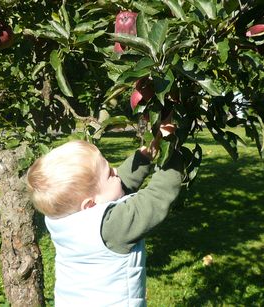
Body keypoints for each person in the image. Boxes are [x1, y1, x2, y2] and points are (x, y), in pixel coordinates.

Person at [26, 127, 184, 307]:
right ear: (90, 205)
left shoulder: (60, 219)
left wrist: (145, 156)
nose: (116, 171)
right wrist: (172, 148)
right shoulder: (111, 228)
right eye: (109, 174)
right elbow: (157, 197)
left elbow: (118, 185)